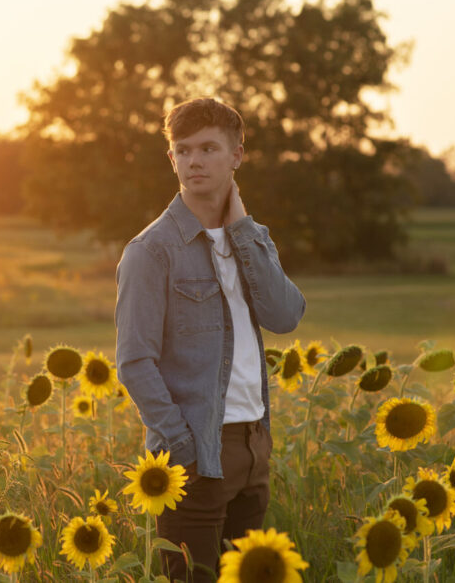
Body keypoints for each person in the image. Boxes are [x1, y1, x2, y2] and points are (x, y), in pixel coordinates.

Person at [115, 97, 306, 582]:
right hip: (194, 455)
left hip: (252, 444)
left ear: (237, 155)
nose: (194, 160)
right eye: (183, 150)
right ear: (172, 158)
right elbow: (135, 361)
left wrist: (242, 231)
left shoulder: (253, 239)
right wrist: (184, 448)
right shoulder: (151, 251)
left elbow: (285, 317)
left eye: (208, 148)